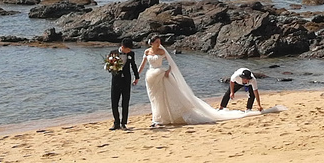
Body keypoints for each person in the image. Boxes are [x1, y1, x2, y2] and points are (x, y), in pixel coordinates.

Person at [136, 37, 276, 125]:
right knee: (154, 98)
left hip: (162, 76)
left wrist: (167, 71)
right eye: (157, 42)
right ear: (151, 43)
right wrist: (137, 76)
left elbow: (172, 64)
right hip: (151, 77)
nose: (159, 43)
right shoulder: (147, 52)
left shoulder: (162, 52)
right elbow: (143, 65)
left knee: (165, 97)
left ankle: (161, 118)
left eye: (160, 42)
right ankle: (157, 118)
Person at [110, 37, 139, 131]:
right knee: (114, 102)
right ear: (122, 47)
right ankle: (116, 122)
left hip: (126, 80)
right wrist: (113, 68)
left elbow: (133, 65)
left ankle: (123, 123)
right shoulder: (113, 53)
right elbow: (109, 67)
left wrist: (137, 77)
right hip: (116, 80)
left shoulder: (131, 54)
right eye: (128, 49)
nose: (129, 50)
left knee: (125, 102)